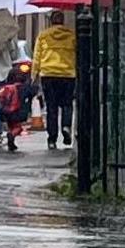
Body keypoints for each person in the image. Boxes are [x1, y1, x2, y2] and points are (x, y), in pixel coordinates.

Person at [32, 13, 77, 148]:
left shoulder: (44, 35)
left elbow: (37, 56)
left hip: (48, 74)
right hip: (68, 74)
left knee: (51, 107)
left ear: (51, 21)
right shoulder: (71, 35)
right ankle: (66, 126)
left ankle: (52, 139)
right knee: (67, 104)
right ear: (63, 21)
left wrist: (34, 74)